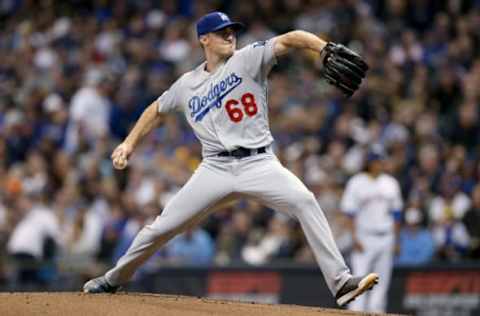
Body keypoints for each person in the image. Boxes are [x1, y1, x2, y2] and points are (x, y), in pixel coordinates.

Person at [83, 11, 377, 307]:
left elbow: (291, 38)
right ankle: (113, 279)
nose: (230, 36)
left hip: (259, 162)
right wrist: (129, 143)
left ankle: (341, 283)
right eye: (222, 32)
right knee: (161, 228)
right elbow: (156, 109)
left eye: (232, 31)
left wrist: (322, 48)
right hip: (215, 168)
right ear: (204, 39)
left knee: (305, 201)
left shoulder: (247, 58)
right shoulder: (186, 84)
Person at [340, 148, 403, 312]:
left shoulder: (390, 183)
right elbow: (349, 214)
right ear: (368, 163)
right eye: (375, 161)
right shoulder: (356, 182)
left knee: (382, 280)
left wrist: (396, 240)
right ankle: (355, 311)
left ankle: (377, 311)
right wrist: (354, 238)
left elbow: (397, 214)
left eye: (380, 161)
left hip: (386, 236)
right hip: (364, 237)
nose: (378, 164)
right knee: (360, 278)